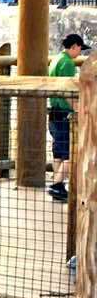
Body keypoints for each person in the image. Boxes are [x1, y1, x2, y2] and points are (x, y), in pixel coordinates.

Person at [47, 33, 89, 202]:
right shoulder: (67, 64)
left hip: (53, 110)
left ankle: (57, 184)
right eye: (79, 48)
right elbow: (68, 91)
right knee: (70, 153)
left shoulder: (56, 60)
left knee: (59, 150)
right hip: (64, 112)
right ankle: (57, 184)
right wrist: (79, 110)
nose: (79, 53)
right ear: (74, 46)